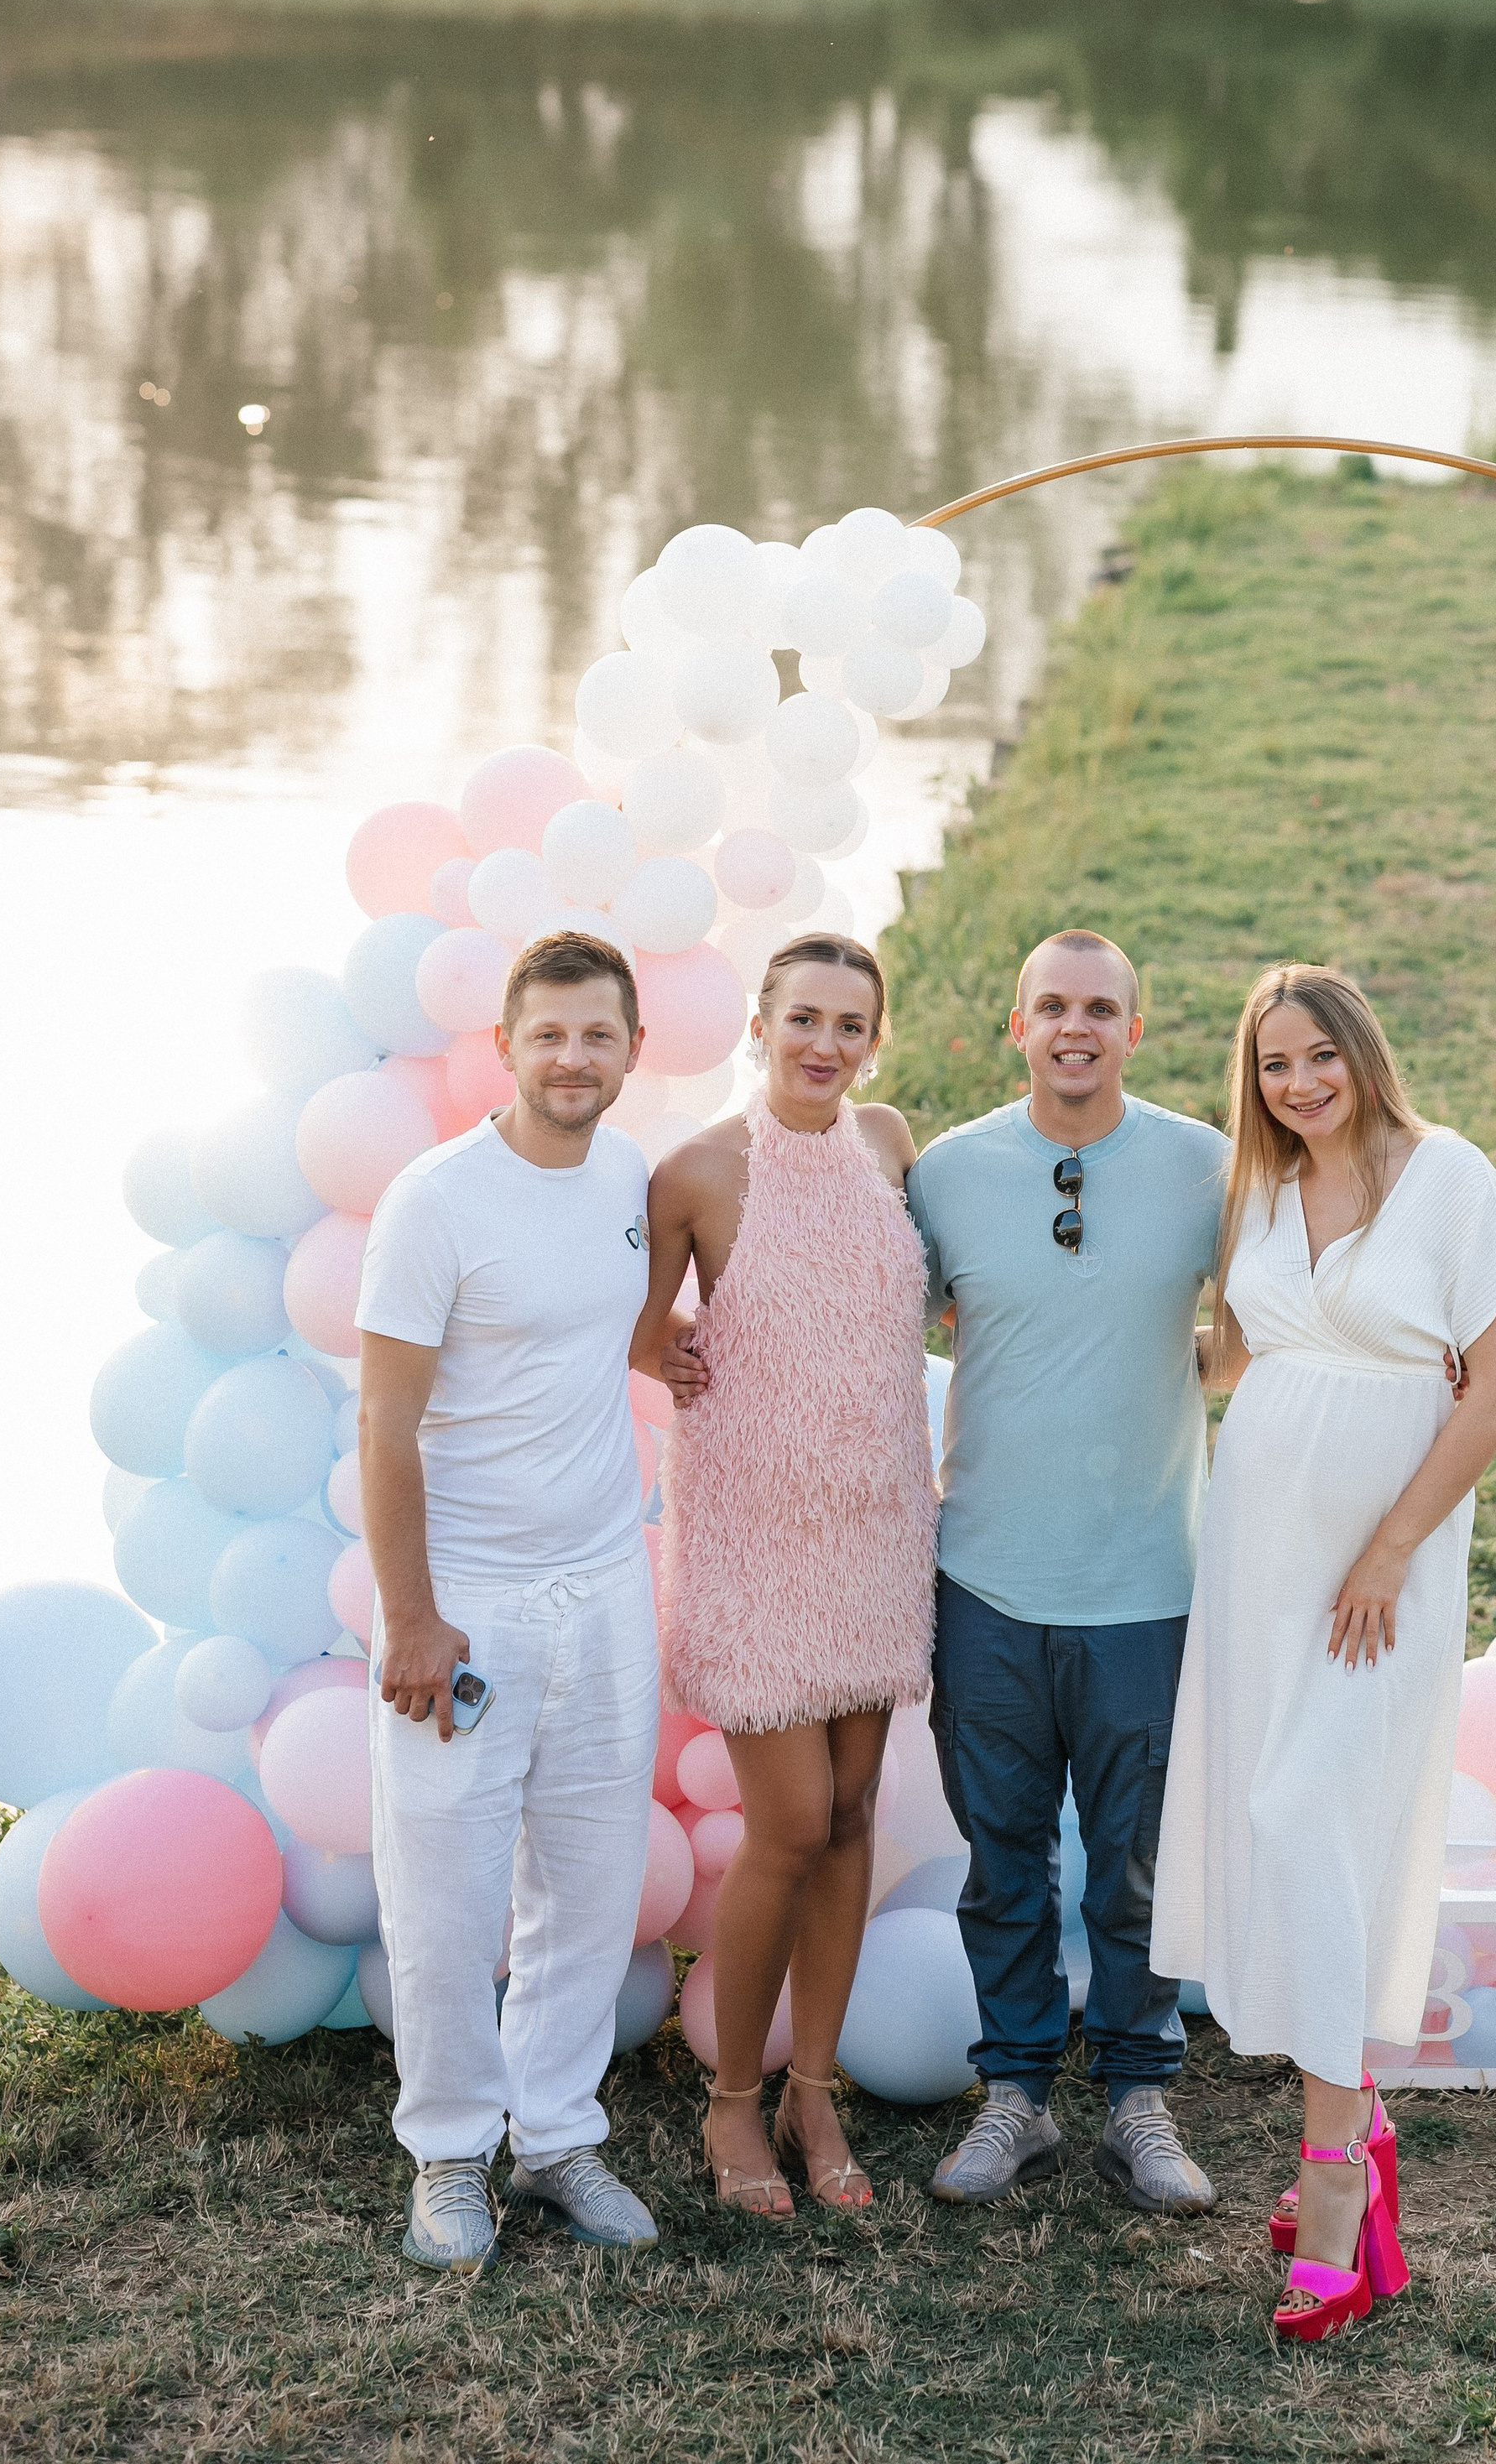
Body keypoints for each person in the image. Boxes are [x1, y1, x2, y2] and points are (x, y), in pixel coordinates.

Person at [1152, 963, 1496, 2343]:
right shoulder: (1257, 1191)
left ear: (1363, 1054)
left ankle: (1333, 2176)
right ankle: (1355, 2123)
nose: (1300, 1083)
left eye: (1320, 1056)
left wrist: (1390, 1548)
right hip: (1257, 1555)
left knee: (1310, 1821)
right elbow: (1236, 1357)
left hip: (1380, 1569)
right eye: (1274, 1065)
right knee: (1269, 1825)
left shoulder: (1451, 1180)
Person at [907, 930, 1230, 2211]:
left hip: (1148, 1580)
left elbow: (1278, 1312)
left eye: (1101, 1007)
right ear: (1018, 1025)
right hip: (986, 1575)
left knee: (1138, 1860)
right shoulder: (949, 1173)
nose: (1076, 1027)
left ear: (1134, 1031)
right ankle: (1019, 2095)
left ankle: (1139, 2098)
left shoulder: (1206, 1166)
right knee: (1004, 1858)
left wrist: (1188, 1370)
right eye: (1052, 1006)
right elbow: (875, 1327)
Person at [357, 930, 663, 2273]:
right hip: (466, 1600)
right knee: (446, 1894)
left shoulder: (628, 1175)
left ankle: (556, 2137)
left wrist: (678, 1354)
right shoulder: (435, 1201)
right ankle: (448, 2156)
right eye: (549, 1034)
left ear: (633, 1047)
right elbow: (384, 1423)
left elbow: (607, 1326)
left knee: (589, 1882)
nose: (572, 1058)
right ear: (506, 1047)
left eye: (597, 1035)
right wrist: (414, 1618)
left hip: (605, 1584)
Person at [633, 935, 934, 2221]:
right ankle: (732, 2102)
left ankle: (816, 2093)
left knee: (855, 1812)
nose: (825, 1044)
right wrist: (673, 1351)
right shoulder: (697, 1172)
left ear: (874, 1042)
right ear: (761, 1024)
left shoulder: (890, 1144)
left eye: (850, 1025)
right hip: (754, 1540)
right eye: (803, 1018)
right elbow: (637, 1327)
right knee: (794, 1824)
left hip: (875, 1529)